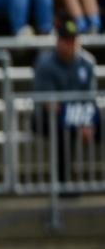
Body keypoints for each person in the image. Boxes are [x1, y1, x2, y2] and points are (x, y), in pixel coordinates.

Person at [32, 18, 99, 183]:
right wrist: (80, 119)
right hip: (46, 117)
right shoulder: (45, 64)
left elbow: (90, 98)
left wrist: (87, 120)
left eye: (73, 39)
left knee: (97, 124)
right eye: (66, 40)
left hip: (77, 113)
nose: (70, 44)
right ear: (58, 41)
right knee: (63, 130)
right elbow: (50, 104)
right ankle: (64, 183)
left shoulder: (87, 63)